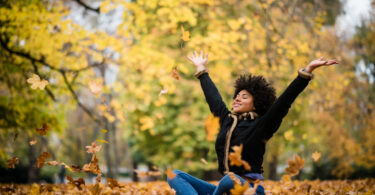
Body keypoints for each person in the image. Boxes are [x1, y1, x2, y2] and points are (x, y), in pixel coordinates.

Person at [167, 50, 338, 195]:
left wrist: (306, 72)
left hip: (249, 189)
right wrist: (201, 69)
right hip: (225, 189)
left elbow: (284, 101)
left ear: (256, 103)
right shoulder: (227, 120)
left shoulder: (263, 125)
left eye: (244, 97)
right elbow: (214, 98)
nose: (236, 99)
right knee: (175, 175)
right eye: (236, 96)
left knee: (229, 179)